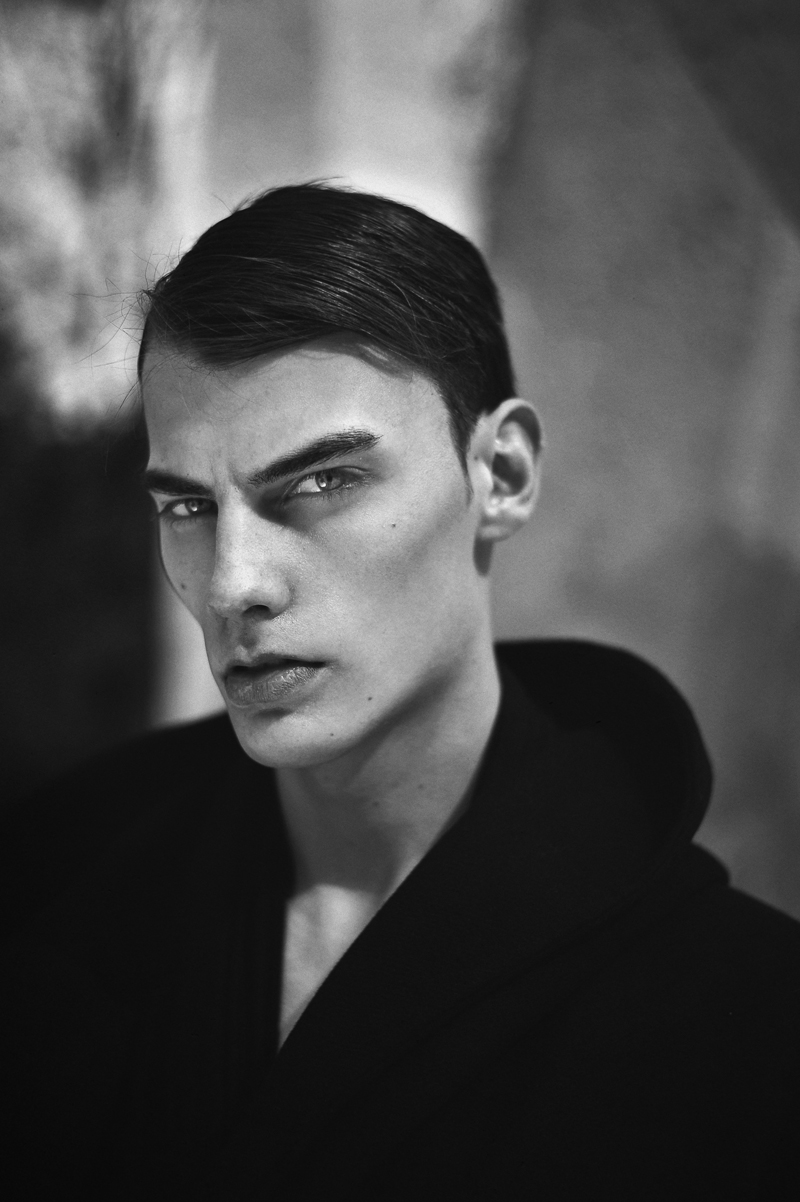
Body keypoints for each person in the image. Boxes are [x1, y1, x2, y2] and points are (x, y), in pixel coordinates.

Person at [3, 183, 799, 1201]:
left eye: (323, 480)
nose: (234, 583)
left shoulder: (747, 1022)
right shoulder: (53, 888)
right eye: (188, 507)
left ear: (500, 472)